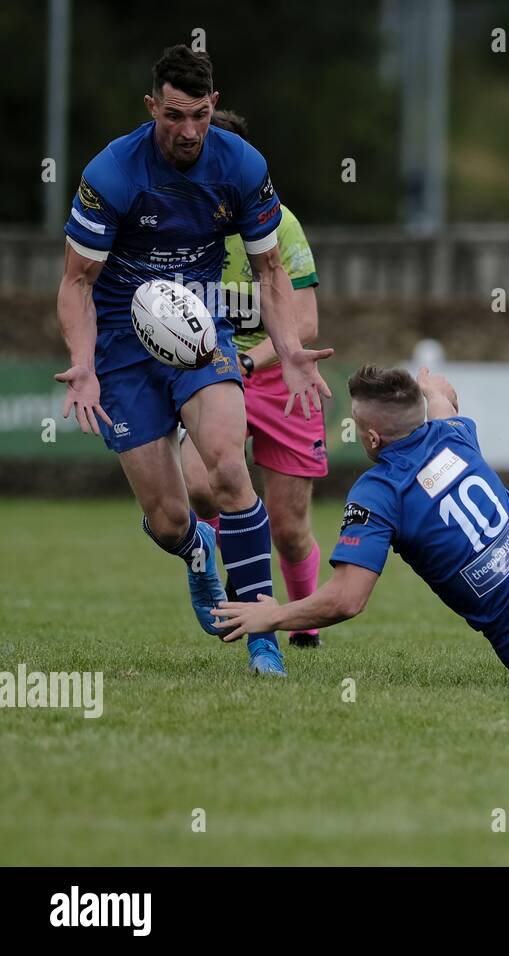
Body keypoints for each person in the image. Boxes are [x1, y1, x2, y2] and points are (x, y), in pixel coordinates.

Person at [56, 45, 331, 676]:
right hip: (124, 347)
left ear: (214, 105)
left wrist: (287, 350)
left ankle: (261, 634)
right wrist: (84, 362)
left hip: (200, 335)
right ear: (152, 105)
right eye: (175, 115)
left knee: (229, 472)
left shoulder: (241, 164)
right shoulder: (112, 172)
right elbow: (75, 283)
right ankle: (197, 549)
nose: (189, 131)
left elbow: (268, 268)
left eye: (200, 115)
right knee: (168, 517)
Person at [213, 366, 509, 688]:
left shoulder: (378, 491)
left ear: (370, 436)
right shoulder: (454, 435)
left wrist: (271, 617)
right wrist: (426, 385)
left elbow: (348, 599)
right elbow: (443, 396)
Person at [179, 109, 328, 649]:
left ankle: (304, 623)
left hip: (280, 379)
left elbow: (305, 321)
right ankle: (238, 569)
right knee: (199, 485)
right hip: (212, 374)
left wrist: (250, 361)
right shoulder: (180, 227)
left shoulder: (279, 224)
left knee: (289, 530)